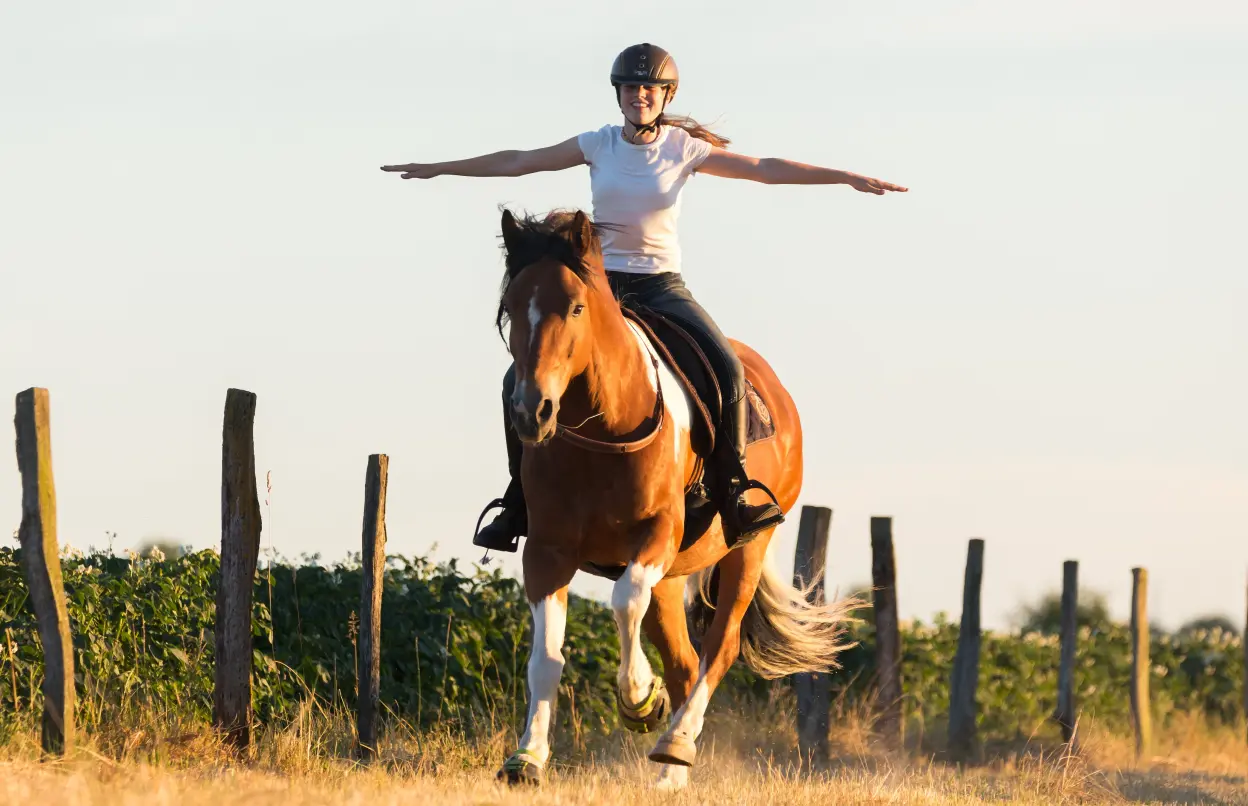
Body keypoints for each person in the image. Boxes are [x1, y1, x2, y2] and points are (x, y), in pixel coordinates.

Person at [382, 43, 907, 552]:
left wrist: (844, 177)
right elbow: (521, 160)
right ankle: (518, 500)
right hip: (601, 290)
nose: (640, 96)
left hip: (661, 286)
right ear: (618, 94)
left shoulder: (683, 149)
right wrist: (440, 168)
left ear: (666, 96)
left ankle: (733, 489)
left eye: (650, 89)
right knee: (515, 381)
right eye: (631, 88)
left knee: (726, 367)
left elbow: (764, 168)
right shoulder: (597, 144)